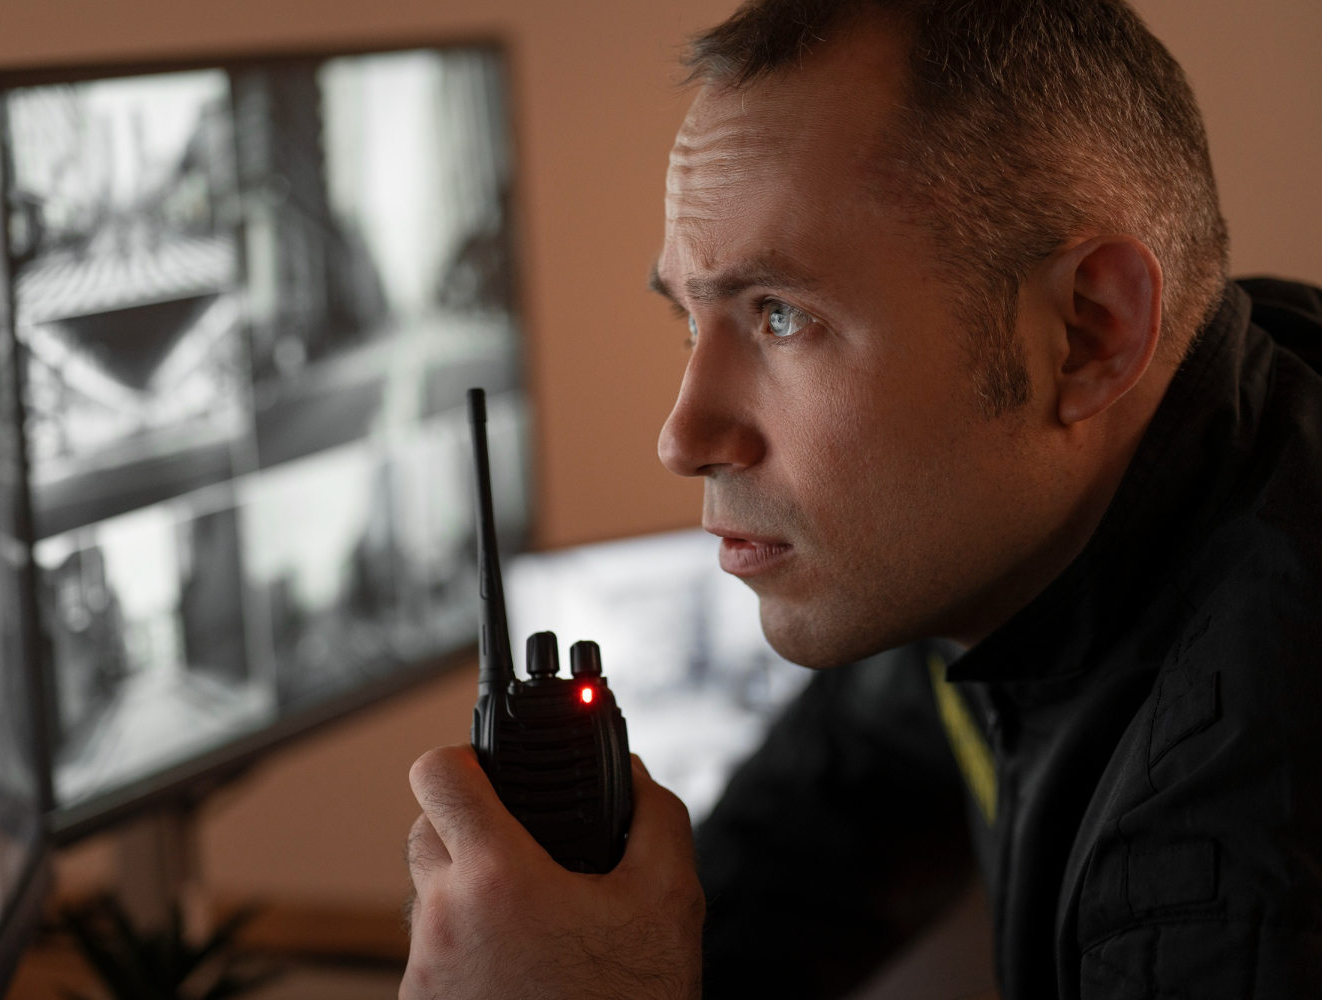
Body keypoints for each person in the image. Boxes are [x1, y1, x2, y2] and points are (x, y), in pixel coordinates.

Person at [400, 0, 1322, 996]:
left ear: (1088, 333)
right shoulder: (1021, 534)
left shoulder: (1235, 867)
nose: (683, 439)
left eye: (781, 315)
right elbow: (815, 831)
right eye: (692, 323)